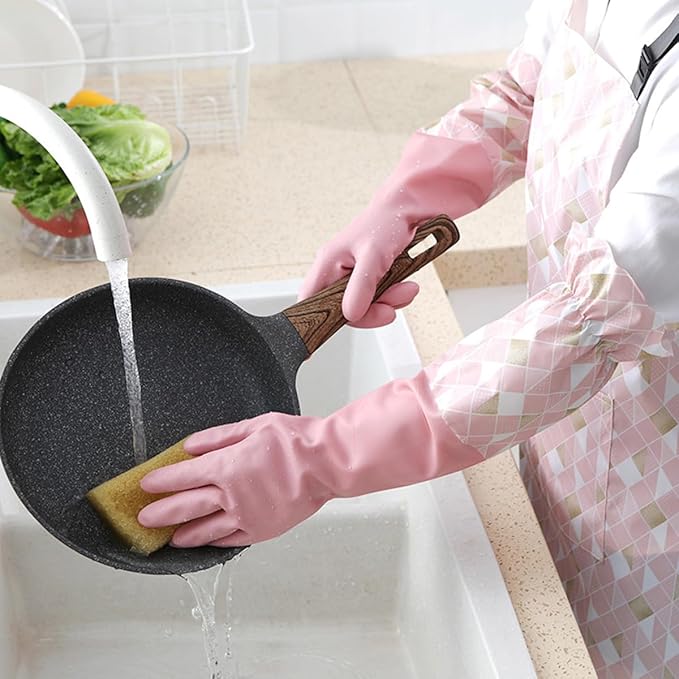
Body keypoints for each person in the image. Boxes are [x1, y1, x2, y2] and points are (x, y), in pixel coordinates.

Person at [138, 1, 679, 675]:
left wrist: (324, 458)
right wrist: (409, 197)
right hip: (566, 432)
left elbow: (587, 320)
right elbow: (524, 92)